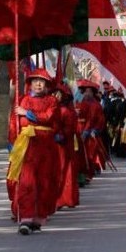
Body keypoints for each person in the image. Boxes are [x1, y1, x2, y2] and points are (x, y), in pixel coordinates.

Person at [6, 68, 60, 235]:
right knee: (26, 181)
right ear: (29, 83)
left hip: (45, 145)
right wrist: (12, 141)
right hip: (27, 145)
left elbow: (48, 117)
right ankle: (26, 218)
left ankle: (38, 217)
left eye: (42, 81)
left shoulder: (52, 101)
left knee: (44, 181)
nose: (38, 84)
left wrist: (27, 113)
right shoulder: (23, 100)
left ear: (46, 84)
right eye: (35, 80)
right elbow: (14, 122)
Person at [52, 82, 79, 210]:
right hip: (51, 144)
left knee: (62, 170)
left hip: (62, 145)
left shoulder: (66, 111)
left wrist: (60, 135)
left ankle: (61, 198)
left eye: (58, 94)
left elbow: (70, 128)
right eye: (54, 93)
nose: (55, 96)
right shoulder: (52, 109)